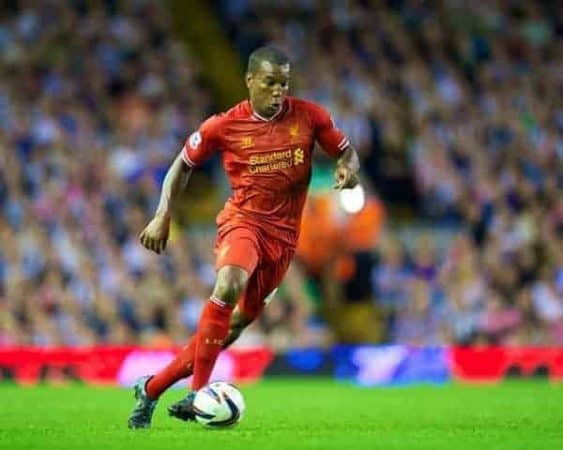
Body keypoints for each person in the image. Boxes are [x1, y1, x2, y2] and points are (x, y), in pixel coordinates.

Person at [127, 45, 360, 429]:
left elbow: (346, 152)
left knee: (233, 326)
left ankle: (151, 389)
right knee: (229, 282)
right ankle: (198, 392)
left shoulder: (311, 117)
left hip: (283, 241)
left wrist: (347, 170)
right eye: (270, 82)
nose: (278, 91)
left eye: (284, 84)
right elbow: (181, 166)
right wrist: (162, 216)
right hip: (243, 223)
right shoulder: (224, 125)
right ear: (250, 80)